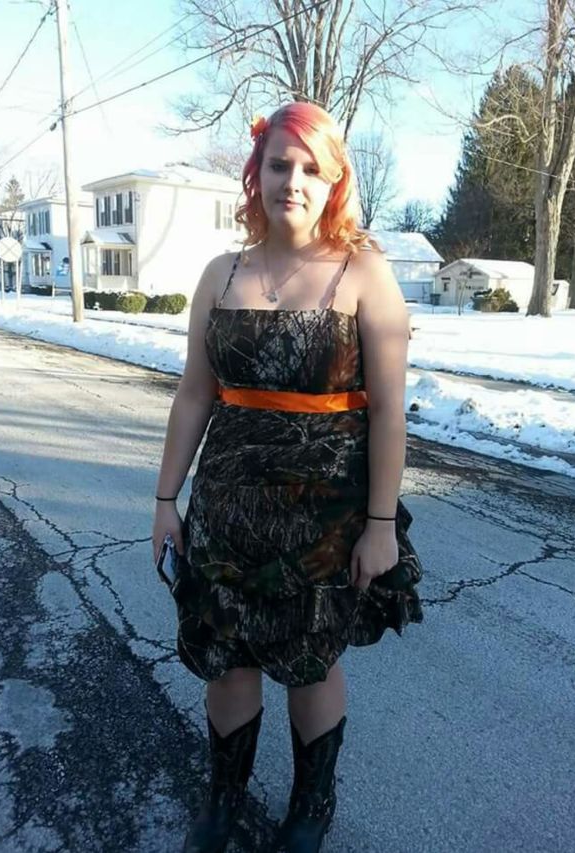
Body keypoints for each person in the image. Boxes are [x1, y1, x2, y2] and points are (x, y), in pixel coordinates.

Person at [152, 101, 424, 853]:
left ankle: (310, 808)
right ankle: (224, 800)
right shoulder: (221, 274)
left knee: (310, 665)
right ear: (257, 171)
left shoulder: (366, 274)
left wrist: (380, 526)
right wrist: (167, 500)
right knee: (227, 660)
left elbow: (390, 414)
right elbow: (194, 394)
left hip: (326, 518)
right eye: (279, 164)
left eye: (311, 168)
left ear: (334, 180)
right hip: (227, 508)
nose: (293, 181)